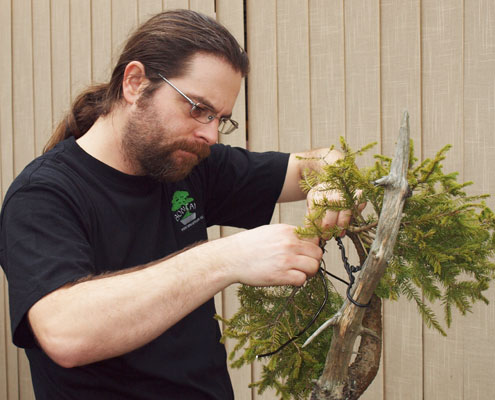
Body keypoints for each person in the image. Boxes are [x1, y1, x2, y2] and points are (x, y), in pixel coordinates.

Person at [0, 9, 352, 400]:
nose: (211, 135)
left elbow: (315, 163)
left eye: (220, 118)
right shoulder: (43, 195)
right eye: (198, 108)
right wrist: (225, 258)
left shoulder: (188, 163)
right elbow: (65, 333)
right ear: (135, 83)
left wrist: (333, 178)